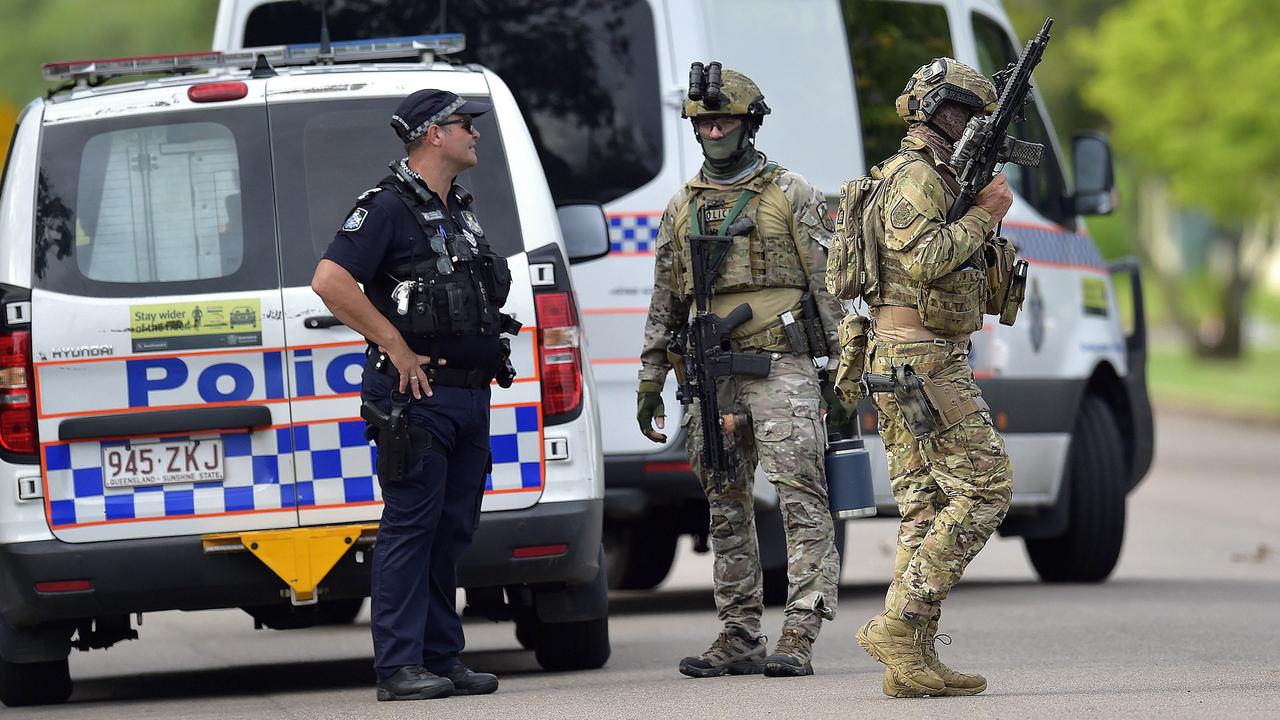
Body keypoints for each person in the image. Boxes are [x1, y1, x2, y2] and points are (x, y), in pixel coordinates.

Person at [636, 64, 847, 679]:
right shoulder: (682, 206)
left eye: (724, 118)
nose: (714, 128)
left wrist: (842, 372)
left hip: (781, 363)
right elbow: (664, 300)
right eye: (704, 121)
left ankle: (800, 633)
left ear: (750, 122)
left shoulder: (791, 193)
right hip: (710, 371)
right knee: (724, 503)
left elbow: (826, 286)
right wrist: (651, 377)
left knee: (800, 497)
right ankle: (738, 633)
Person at [312, 89, 518, 702]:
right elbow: (330, 281)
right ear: (433, 134)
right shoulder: (385, 207)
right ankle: (398, 667)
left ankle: (441, 657)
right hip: (415, 399)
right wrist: (395, 345)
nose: (475, 134)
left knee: (451, 530)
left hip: (466, 395)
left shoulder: (458, 208)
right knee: (410, 528)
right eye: (464, 125)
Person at [851, 58, 1015, 698]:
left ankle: (910, 659)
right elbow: (927, 260)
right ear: (938, 110)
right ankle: (901, 622)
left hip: (901, 355)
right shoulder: (919, 176)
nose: (974, 123)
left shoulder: (916, 173)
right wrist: (987, 212)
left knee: (925, 503)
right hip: (922, 359)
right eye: (967, 111)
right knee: (987, 489)